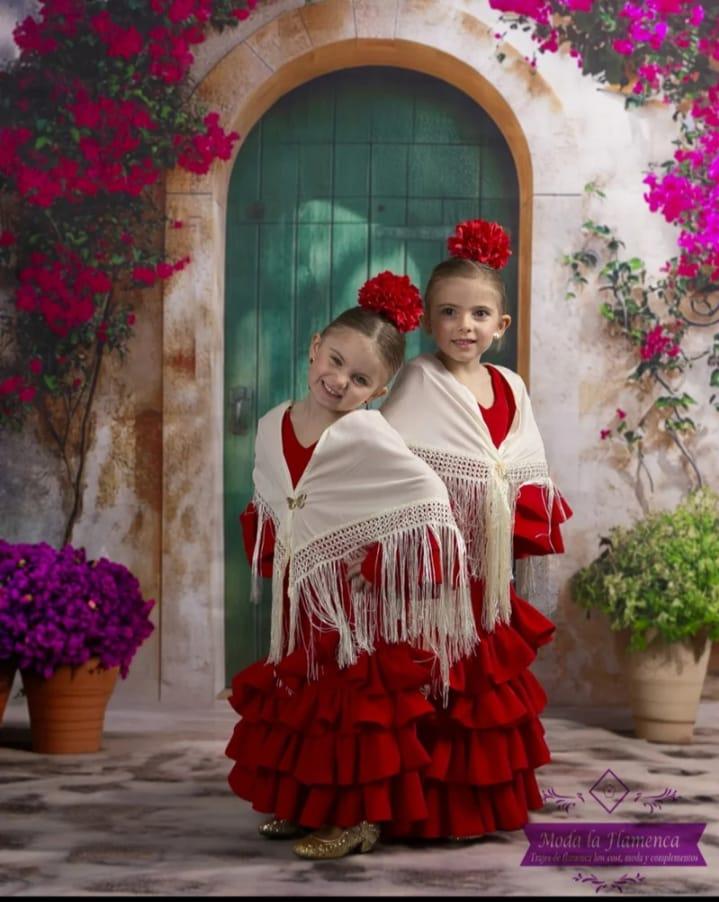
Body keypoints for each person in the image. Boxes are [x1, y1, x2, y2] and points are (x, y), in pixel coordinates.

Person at [225, 271, 475, 859]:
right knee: (303, 699)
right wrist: (278, 544)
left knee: (351, 709)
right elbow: (272, 497)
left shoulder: (369, 437)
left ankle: (358, 818)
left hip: (351, 607)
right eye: (335, 362)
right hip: (301, 597)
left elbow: (429, 506)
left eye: (361, 379)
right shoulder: (271, 425)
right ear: (315, 346)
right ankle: (307, 803)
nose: (339, 381)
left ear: (378, 392)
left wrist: (384, 560)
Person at [381, 219, 572, 839]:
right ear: (429, 322)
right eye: (449, 313)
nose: (465, 325)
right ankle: (421, 810)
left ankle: (479, 806)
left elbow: (520, 465)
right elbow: (385, 461)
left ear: (501, 326)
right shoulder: (416, 380)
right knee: (431, 679)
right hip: (431, 571)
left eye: (479, 313)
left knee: (480, 687)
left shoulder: (510, 387)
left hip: (486, 572)